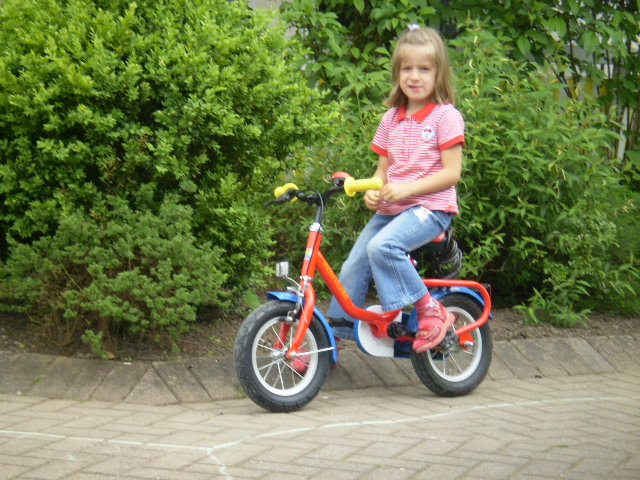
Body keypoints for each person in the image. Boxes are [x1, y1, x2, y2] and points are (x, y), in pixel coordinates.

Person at [328, 25, 464, 353]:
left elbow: (452, 173)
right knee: (352, 265)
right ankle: (330, 338)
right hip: (393, 211)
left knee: (382, 247)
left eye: (424, 69)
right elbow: (382, 171)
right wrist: (374, 193)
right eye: (407, 69)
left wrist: (406, 190)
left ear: (439, 73)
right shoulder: (391, 119)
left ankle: (429, 310)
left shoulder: (446, 117)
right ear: (397, 73)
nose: (414, 76)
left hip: (430, 209)